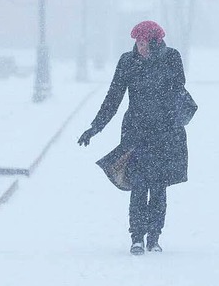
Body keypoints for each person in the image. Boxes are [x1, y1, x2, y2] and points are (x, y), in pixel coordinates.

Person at [77, 20, 191, 255]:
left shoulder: (171, 58)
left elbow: (178, 89)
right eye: (137, 42)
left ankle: (154, 237)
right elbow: (113, 97)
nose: (139, 47)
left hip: (165, 133)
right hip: (136, 134)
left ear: (155, 41)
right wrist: (94, 128)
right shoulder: (127, 62)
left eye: (143, 42)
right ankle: (137, 237)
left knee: (159, 188)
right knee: (139, 186)